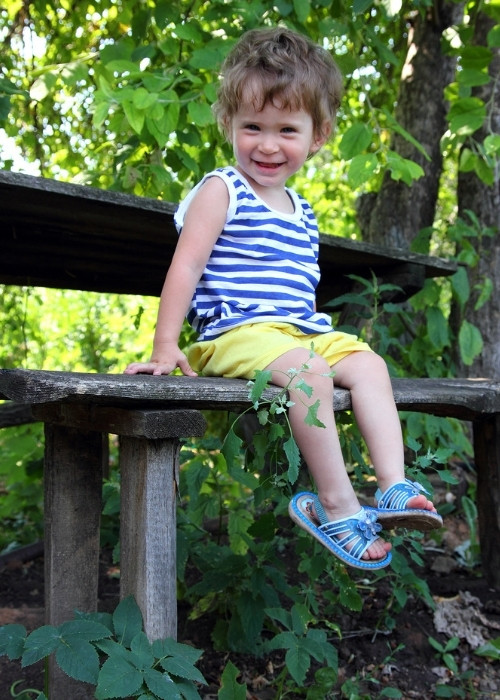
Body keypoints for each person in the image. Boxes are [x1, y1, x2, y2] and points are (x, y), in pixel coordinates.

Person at [125, 26, 442, 570]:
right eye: (252, 127)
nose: (267, 144)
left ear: (317, 136)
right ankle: (338, 506)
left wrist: (316, 342)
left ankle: (392, 486)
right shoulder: (221, 190)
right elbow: (186, 266)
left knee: (370, 365)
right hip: (236, 334)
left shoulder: (304, 211)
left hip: (299, 332)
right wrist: (165, 345)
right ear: (228, 124)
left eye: (286, 130)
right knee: (310, 376)